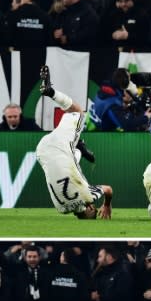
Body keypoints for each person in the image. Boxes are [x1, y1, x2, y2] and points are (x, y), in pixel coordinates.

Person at [36, 65, 113, 220]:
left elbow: (108, 189)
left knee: (78, 112)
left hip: (59, 146)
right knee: (70, 164)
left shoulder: (88, 197)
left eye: (94, 210)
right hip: (41, 151)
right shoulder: (61, 210)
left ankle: (50, 91)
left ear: (90, 208)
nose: (95, 207)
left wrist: (106, 204)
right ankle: (79, 148)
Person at [89, 68, 151, 132]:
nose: (132, 84)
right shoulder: (112, 104)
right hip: (100, 135)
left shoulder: (108, 89)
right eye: (129, 80)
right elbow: (127, 124)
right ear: (124, 82)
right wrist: (146, 117)